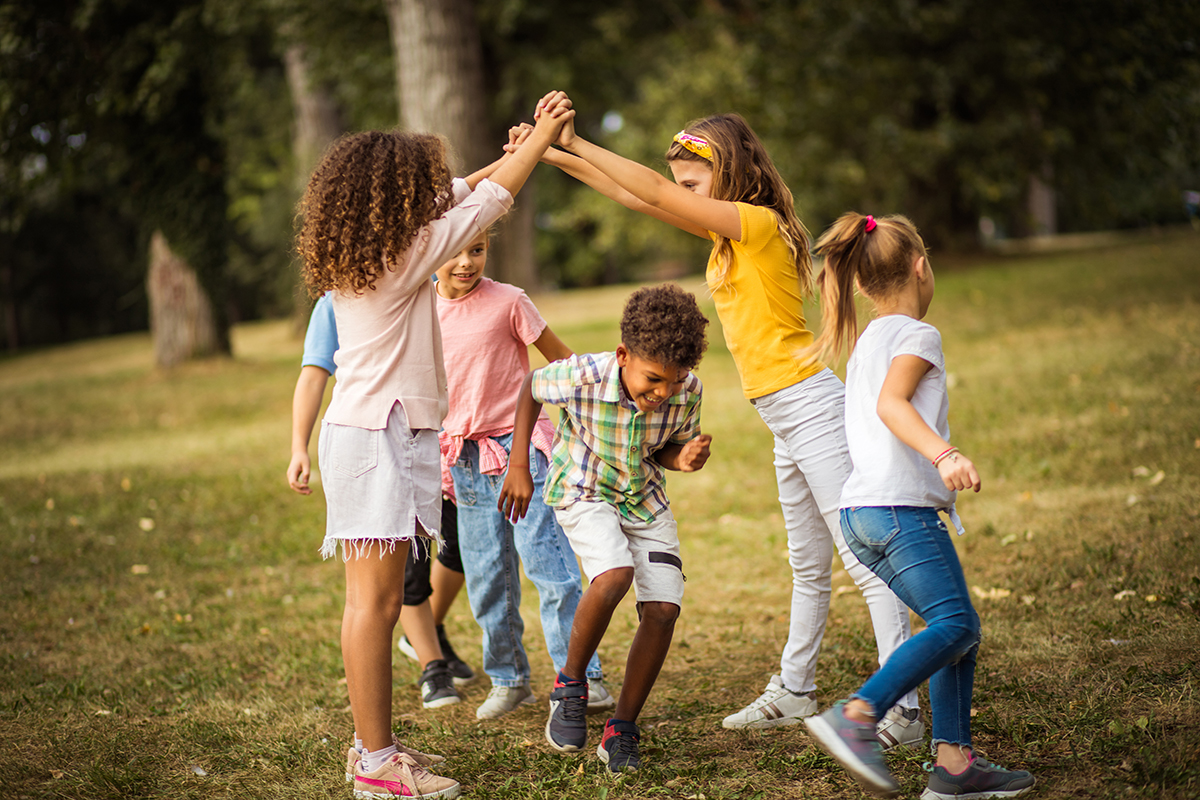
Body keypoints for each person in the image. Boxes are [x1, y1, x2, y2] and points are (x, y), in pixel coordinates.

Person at [524, 105, 923, 745]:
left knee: (861, 556)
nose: (680, 196)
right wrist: (553, 153)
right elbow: (637, 196)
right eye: (681, 186)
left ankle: (900, 708)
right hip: (785, 414)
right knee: (808, 562)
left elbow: (651, 190)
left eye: (691, 185)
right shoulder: (727, 236)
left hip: (810, 405)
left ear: (727, 173)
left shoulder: (758, 225)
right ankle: (795, 688)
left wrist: (577, 138)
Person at [295, 90, 573, 800]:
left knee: (377, 604)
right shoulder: (409, 252)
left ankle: (375, 747)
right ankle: (375, 762)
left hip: (380, 432)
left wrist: (517, 149)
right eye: (421, 190)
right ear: (398, 201)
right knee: (374, 606)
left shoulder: (375, 247)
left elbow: (473, 185)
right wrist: (543, 135)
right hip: (373, 436)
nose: (434, 198)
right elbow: (491, 199)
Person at [802, 213, 1035, 800]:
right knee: (955, 623)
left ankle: (954, 765)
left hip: (862, 517)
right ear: (921, 267)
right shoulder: (916, 334)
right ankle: (857, 716)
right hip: (897, 511)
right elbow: (892, 405)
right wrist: (944, 454)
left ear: (858, 282)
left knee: (956, 627)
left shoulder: (867, 342)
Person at [499, 284, 712, 773]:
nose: (661, 394)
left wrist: (684, 457)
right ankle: (570, 684)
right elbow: (532, 386)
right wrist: (518, 466)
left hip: (644, 499)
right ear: (622, 355)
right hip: (584, 488)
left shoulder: (687, 390)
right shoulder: (584, 375)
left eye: (673, 383)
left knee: (662, 608)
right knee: (613, 574)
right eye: (653, 379)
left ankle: (621, 728)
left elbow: (664, 448)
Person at [434, 223, 613, 720]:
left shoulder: (510, 301)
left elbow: (563, 362)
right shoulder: (419, 311)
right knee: (488, 576)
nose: (467, 262)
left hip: (522, 449)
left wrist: (595, 419)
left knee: (548, 568)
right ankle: (509, 679)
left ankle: (584, 678)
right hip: (464, 455)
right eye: (455, 253)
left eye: (478, 249)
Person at [286, 293, 477, 722]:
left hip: (437, 443)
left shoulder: (424, 282)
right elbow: (314, 375)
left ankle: (429, 636)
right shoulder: (334, 302)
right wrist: (299, 445)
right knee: (384, 592)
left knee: (453, 551)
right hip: (377, 445)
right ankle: (429, 665)